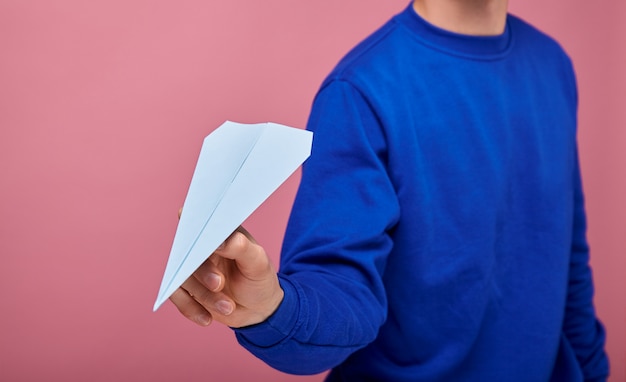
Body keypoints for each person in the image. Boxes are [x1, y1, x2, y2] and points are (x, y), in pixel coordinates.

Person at [169, 0, 610, 380]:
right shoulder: (360, 91)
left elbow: (566, 259)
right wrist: (275, 309)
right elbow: (341, 288)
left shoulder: (553, 65)